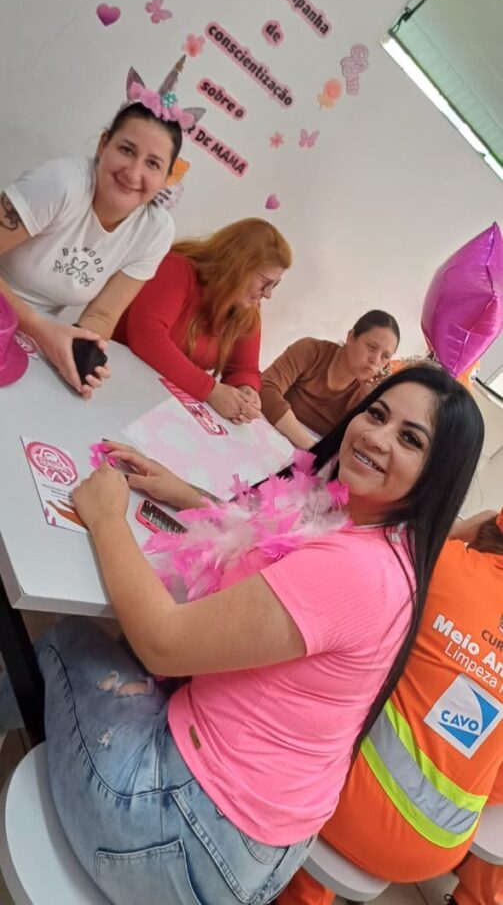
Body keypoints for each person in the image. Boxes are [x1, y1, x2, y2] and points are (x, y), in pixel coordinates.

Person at [0, 366, 483, 905]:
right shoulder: (383, 541)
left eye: (410, 439)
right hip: (257, 853)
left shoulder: (356, 571)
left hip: (176, 837)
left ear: (437, 475)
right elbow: (273, 543)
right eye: (377, 413)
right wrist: (186, 494)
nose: (376, 436)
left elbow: (162, 642)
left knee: (66, 640)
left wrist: (107, 517)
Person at [277, 511, 503, 905]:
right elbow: (496, 789)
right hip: (435, 851)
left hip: (335, 806)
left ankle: (296, 891)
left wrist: (452, 531)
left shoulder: (442, 564)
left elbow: (374, 548)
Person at [0, 58, 198, 397]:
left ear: (168, 177)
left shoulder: (155, 232)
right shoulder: (61, 184)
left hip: (29, 341)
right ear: (103, 144)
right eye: (126, 150)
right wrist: (41, 330)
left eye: (152, 164)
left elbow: (103, 315)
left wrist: (81, 351)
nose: (133, 173)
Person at [114, 218, 292, 424]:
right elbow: (147, 337)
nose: (268, 294)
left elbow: (244, 369)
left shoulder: (247, 306)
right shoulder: (177, 268)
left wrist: (246, 391)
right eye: (265, 282)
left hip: (157, 401)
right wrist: (210, 390)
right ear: (239, 267)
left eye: (274, 285)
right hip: (116, 380)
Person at [260, 310, 400, 448]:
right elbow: (266, 387)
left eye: (385, 356)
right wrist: (308, 445)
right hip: (269, 433)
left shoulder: (365, 395)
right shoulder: (311, 351)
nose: (375, 360)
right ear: (351, 337)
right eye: (371, 347)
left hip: (310, 454)